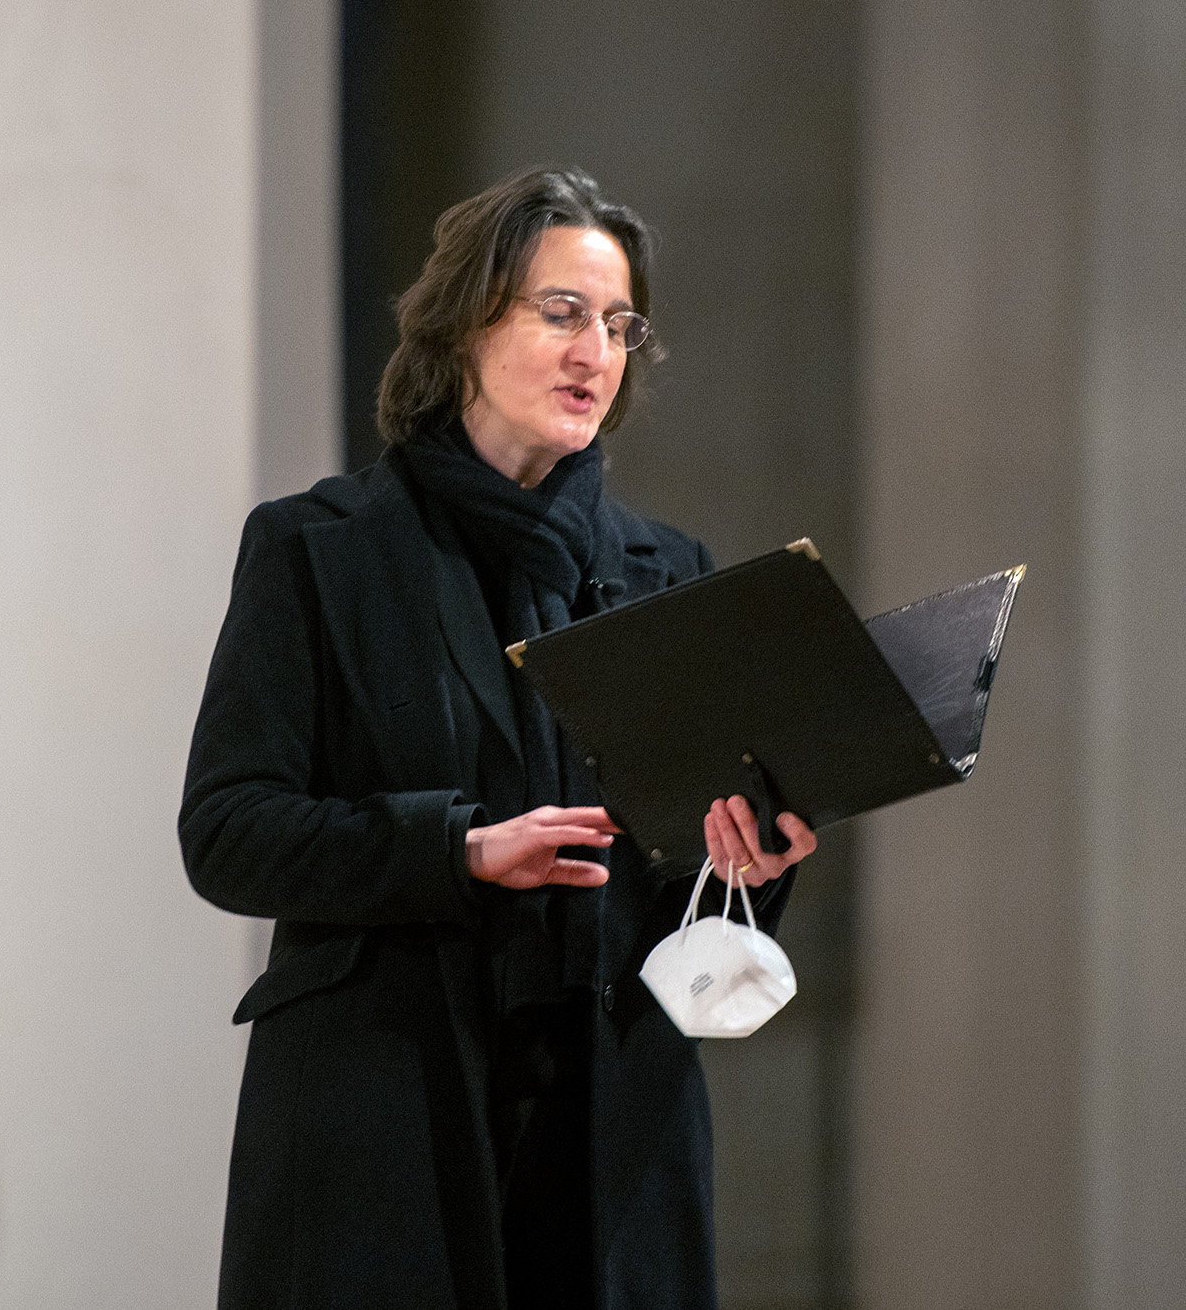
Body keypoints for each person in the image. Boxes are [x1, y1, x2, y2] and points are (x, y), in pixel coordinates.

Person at [180, 166, 819, 1310]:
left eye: (617, 326)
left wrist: (745, 862)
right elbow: (229, 832)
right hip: (386, 1109)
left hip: (609, 1122)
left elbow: (681, 870)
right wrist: (459, 848)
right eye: (560, 312)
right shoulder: (320, 550)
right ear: (464, 323)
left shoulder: (666, 572)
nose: (593, 352)